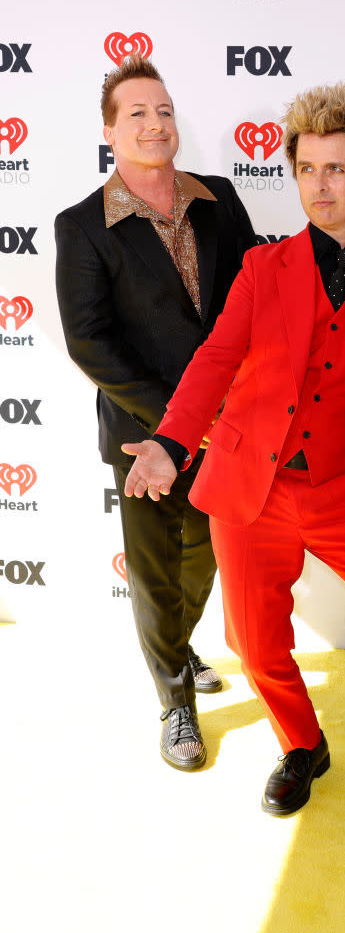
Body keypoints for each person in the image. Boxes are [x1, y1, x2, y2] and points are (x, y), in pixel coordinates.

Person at [121, 81, 345, 844]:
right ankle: (302, 744)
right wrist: (168, 442)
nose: (319, 186)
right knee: (256, 643)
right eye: (307, 170)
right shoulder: (265, 269)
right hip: (252, 487)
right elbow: (215, 361)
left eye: (336, 170)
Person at [55, 55, 256, 771]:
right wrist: (177, 421)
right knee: (153, 569)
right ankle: (176, 705)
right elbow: (89, 341)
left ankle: (182, 644)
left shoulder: (220, 199)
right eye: (137, 112)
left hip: (226, 428)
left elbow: (251, 300)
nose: (154, 123)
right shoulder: (83, 225)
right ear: (110, 131)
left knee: (205, 555)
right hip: (147, 436)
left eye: (164, 111)